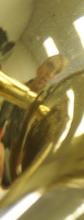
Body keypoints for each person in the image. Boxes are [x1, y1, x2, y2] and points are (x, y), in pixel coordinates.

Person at [0, 54, 67, 187]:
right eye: (50, 66)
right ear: (40, 67)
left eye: (55, 72)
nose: (50, 73)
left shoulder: (44, 107)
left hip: (11, 165)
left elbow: (27, 153)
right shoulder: (16, 88)